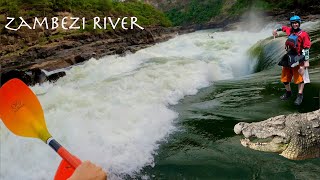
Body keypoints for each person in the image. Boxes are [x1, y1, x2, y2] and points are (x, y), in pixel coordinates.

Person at [272, 15, 311, 106]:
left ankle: (300, 95)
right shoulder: (290, 30)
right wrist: (276, 30)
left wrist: (306, 61)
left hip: (299, 57)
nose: (295, 25)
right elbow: (284, 28)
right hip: (289, 56)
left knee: (299, 78)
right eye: (293, 23)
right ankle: (288, 92)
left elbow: (306, 48)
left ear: (299, 23)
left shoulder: (304, 34)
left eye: (296, 23)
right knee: (285, 78)